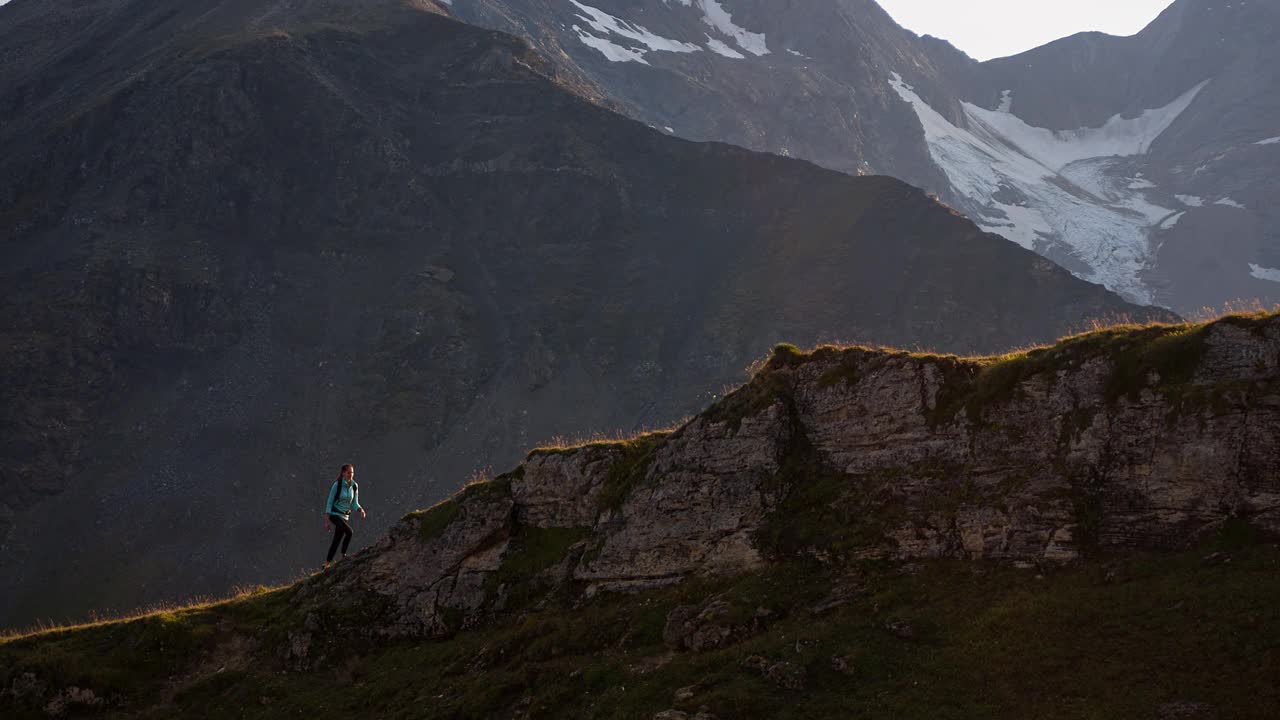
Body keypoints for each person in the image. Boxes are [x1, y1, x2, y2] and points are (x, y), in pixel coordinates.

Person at [324, 463, 366, 567]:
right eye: (348, 472)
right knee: (349, 532)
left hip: (344, 517)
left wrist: (361, 510)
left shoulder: (354, 486)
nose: (351, 474)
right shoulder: (337, 485)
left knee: (336, 540)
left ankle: (327, 564)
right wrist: (327, 519)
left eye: (352, 472)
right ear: (343, 473)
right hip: (335, 514)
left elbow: (354, 503)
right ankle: (343, 555)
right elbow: (330, 501)